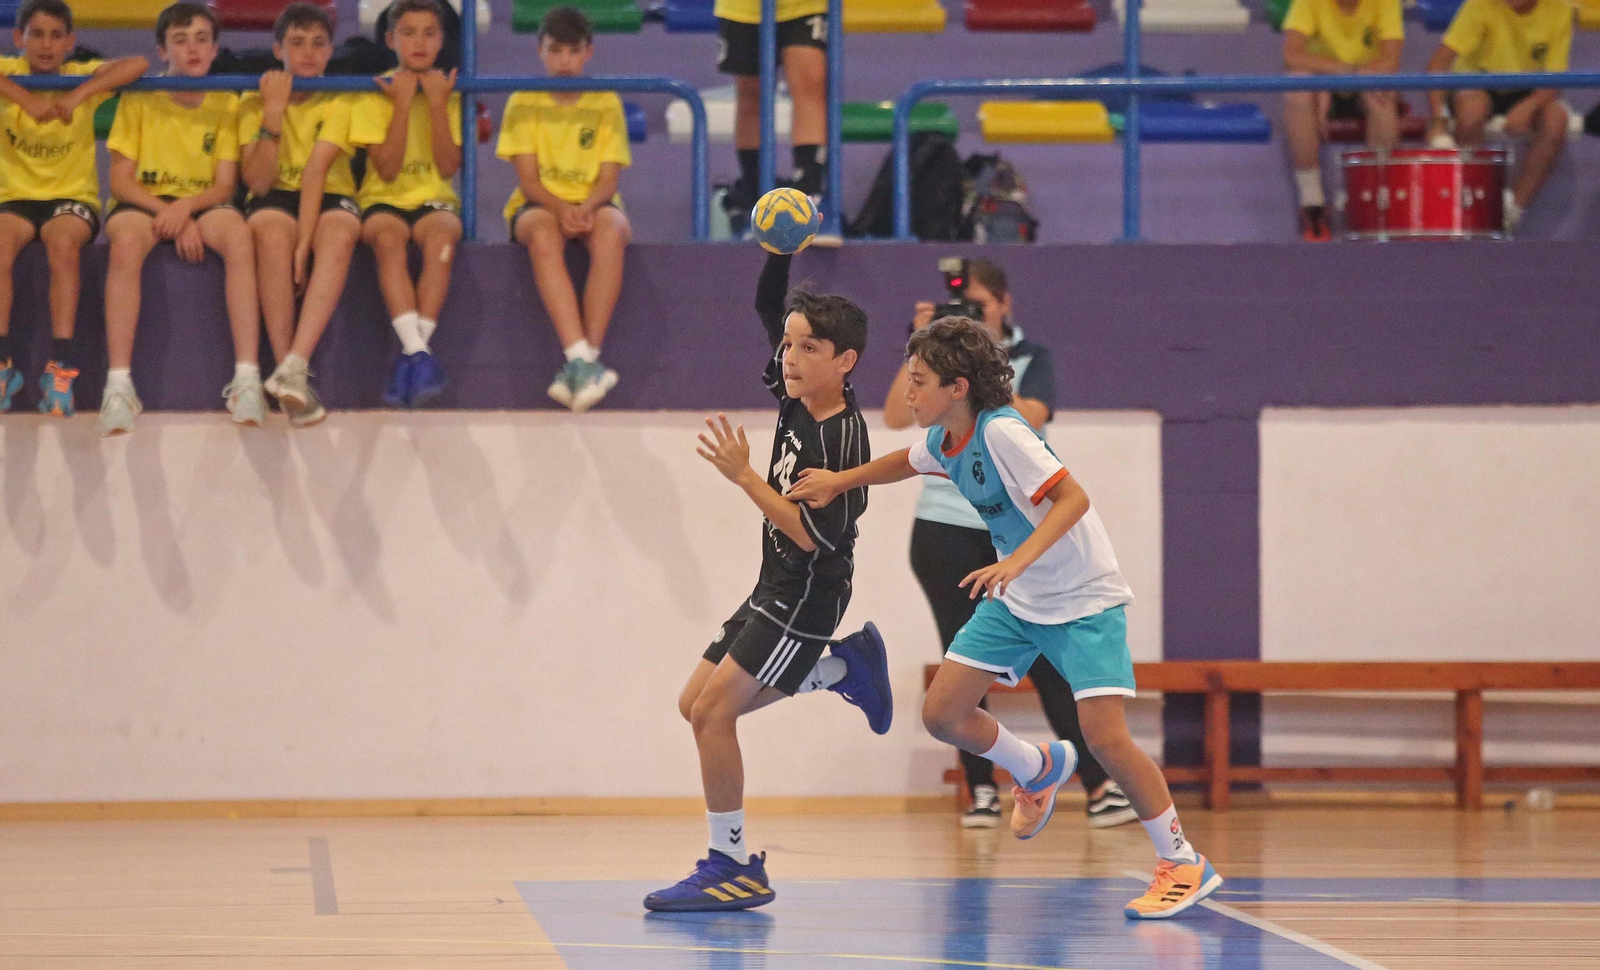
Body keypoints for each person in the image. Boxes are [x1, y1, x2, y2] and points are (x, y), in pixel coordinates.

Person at [788, 317, 1224, 921]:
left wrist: (1015, 561)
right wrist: (841, 481)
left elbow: (1073, 498)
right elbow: (904, 463)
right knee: (943, 713)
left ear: (957, 387)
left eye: (919, 382)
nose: (908, 393)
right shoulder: (946, 439)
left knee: (1106, 738)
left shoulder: (1003, 434)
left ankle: (1182, 862)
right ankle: (1035, 766)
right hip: (1021, 601)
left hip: (1080, 598)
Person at [642, 251, 892, 913]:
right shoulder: (796, 395)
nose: (790, 356)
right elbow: (766, 307)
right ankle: (843, 669)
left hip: (806, 592)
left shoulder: (841, 438)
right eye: (789, 344)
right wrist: (781, 249)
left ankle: (731, 865)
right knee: (693, 704)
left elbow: (815, 535)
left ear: (846, 361)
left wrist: (746, 478)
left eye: (809, 347)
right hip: (772, 582)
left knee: (713, 714)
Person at [884, 259, 1136, 831]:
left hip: (1017, 532)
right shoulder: (933, 361)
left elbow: (1031, 416)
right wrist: (926, 348)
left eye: (979, 303)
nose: (971, 312)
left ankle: (1092, 783)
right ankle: (981, 790)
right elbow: (899, 419)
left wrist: (974, 358)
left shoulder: (1027, 361)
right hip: (945, 526)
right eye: (962, 305)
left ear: (1003, 302)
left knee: (1050, 660)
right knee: (962, 658)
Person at [100, 2, 260, 435]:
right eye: (180, 40)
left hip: (200, 203)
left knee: (240, 235)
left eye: (202, 39)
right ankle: (118, 386)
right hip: (144, 203)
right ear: (161, 50)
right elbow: (120, 181)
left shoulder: (227, 101)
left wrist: (187, 211)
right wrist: (168, 211)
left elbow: (225, 186)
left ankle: (248, 378)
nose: (192, 49)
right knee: (127, 242)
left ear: (214, 49)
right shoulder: (138, 97)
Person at [0, 0, 147, 416]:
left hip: (72, 199)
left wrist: (80, 94)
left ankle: (61, 366)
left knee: (63, 246)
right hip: (14, 199)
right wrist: (23, 99)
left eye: (55, 36)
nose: (46, 45)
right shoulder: (8, 73)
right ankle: (3, 364)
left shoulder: (80, 74)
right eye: (36, 35)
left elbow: (137, 63)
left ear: (69, 42)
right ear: (18, 39)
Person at [497, 7, 631, 413]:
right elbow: (529, 182)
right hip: (538, 205)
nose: (564, 61)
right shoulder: (522, 101)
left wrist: (587, 206)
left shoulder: (606, 102)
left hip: (594, 204)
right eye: (555, 51)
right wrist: (562, 208)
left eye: (573, 51)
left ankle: (583, 361)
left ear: (588, 53)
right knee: (542, 231)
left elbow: (609, 179)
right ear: (540, 51)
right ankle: (581, 357)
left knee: (612, 228)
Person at [240, 2, 361, 428]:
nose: (308, 52)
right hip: (277, 194)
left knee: (342, 230)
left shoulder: (344, 99)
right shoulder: (253, 101)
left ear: (330, 52)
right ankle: (288, 373)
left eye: (318, 43)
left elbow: (316, 172)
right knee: (269, 232)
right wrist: (272, 116)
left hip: (328, 194)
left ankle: (296, 362)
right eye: (296, 43)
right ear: (278, 50)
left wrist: (305, 244)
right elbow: (257, 183)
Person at [349, 0, 461, 410]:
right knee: (388, 242)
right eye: (408, 33)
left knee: (442, 243)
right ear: (391, 39)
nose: (419, 42)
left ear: (441, 40)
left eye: (429, 33)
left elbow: (449, 166)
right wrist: (400, 103)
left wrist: (435, 104)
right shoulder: (372, 93)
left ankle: (414, 354)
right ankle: (418, 355)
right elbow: (390, 170)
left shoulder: (450, 92)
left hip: (434, 200)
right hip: (384, 200)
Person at [1426, 0, 1572, 232]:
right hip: (1475, 83)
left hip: (1526, 88)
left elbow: (1556, 75)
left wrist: (1530, 105)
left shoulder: (1561, 9)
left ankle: (1511, 212)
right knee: (1472, 110)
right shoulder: (1479, 5)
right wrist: (1440, 119)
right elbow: (1438, 64)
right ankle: (1472, 200)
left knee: (1556, 120)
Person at [1280, 0, 1404, 242]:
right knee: (1297, 88)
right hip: (1324, 82)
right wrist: (1334, 76)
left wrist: (1358, 77)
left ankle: (1378, 198)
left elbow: (1391, 60)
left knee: (1381, 94)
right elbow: (1292, 55)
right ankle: (1312, 202)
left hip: (1364, 81)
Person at [712, 0, 832, 240]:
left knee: (811, 83)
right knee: (750, 93)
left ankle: (810, 196)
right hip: (743, 8)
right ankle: (756, 195)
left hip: (805, 6)